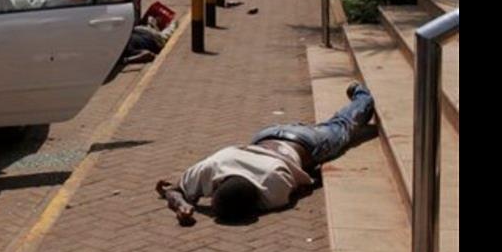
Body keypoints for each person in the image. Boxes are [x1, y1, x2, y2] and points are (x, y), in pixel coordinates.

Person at [156, 81, 375, 224]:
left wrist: (181, 203)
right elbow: (173, 189)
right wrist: (180, 202)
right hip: (267, 135)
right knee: (335, 126)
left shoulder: (273, 188)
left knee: (344, 126)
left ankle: (363, 95)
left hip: (305, 144)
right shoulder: (215, 165)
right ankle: (357, 93)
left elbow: (306, 183)